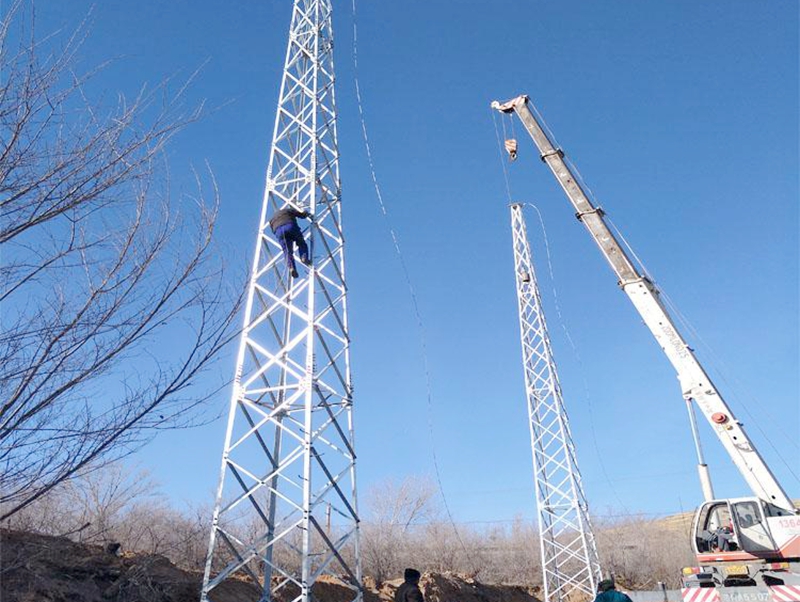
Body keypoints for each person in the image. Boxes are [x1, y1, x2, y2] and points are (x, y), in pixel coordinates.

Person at [269, 205, 311, 278]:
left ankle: (291, 267)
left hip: (279, 232)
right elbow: (301, 215)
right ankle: (304, 257)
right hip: (289, 226)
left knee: (287, 251)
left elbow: (272, 230)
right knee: (301, 242)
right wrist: (306, 213)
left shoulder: (271, 219)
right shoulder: (288, 210)